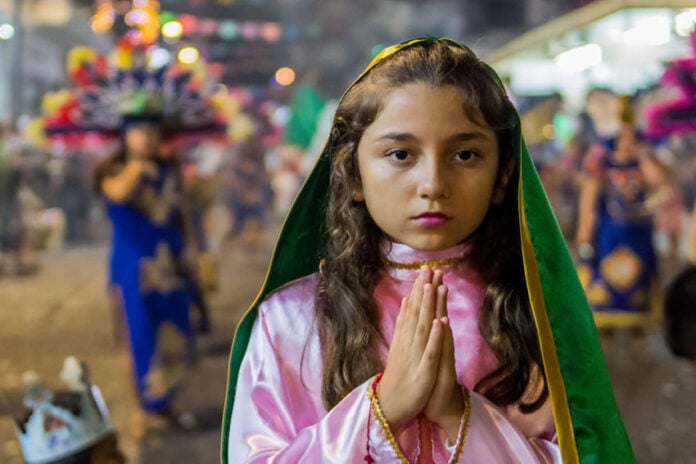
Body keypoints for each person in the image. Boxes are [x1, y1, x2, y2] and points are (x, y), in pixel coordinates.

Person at [222, 38, 632, 463]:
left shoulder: (539, 321)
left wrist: (459, 416)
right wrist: (380, 411)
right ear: (354, 175)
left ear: (504, 175)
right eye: (400, 154)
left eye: (465, 154)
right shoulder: (292, 321)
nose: (433, 183)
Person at [95, 120, 196, 438]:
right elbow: (118, 193)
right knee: (138, 340)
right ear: (125, 136)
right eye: (139, 132)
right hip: (133, 272)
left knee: (176, 338)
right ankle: (143, 410)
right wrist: (137, 167)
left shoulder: (170, 169)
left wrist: (192, 254)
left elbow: (181, 214)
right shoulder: (113, 171)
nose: (147, 138)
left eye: (152, 132)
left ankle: (163, 404)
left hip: (170, 267)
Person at [576, 96, 666, 331]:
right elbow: (590, 192)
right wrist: (585, 228)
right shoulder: (601, 154)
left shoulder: (644, 151)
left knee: (639, 292)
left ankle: (639, 342)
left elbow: (659, 180)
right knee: (605, 291)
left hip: (639, 231)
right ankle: (606, 338)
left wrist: (643, 155)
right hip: (609, 232)